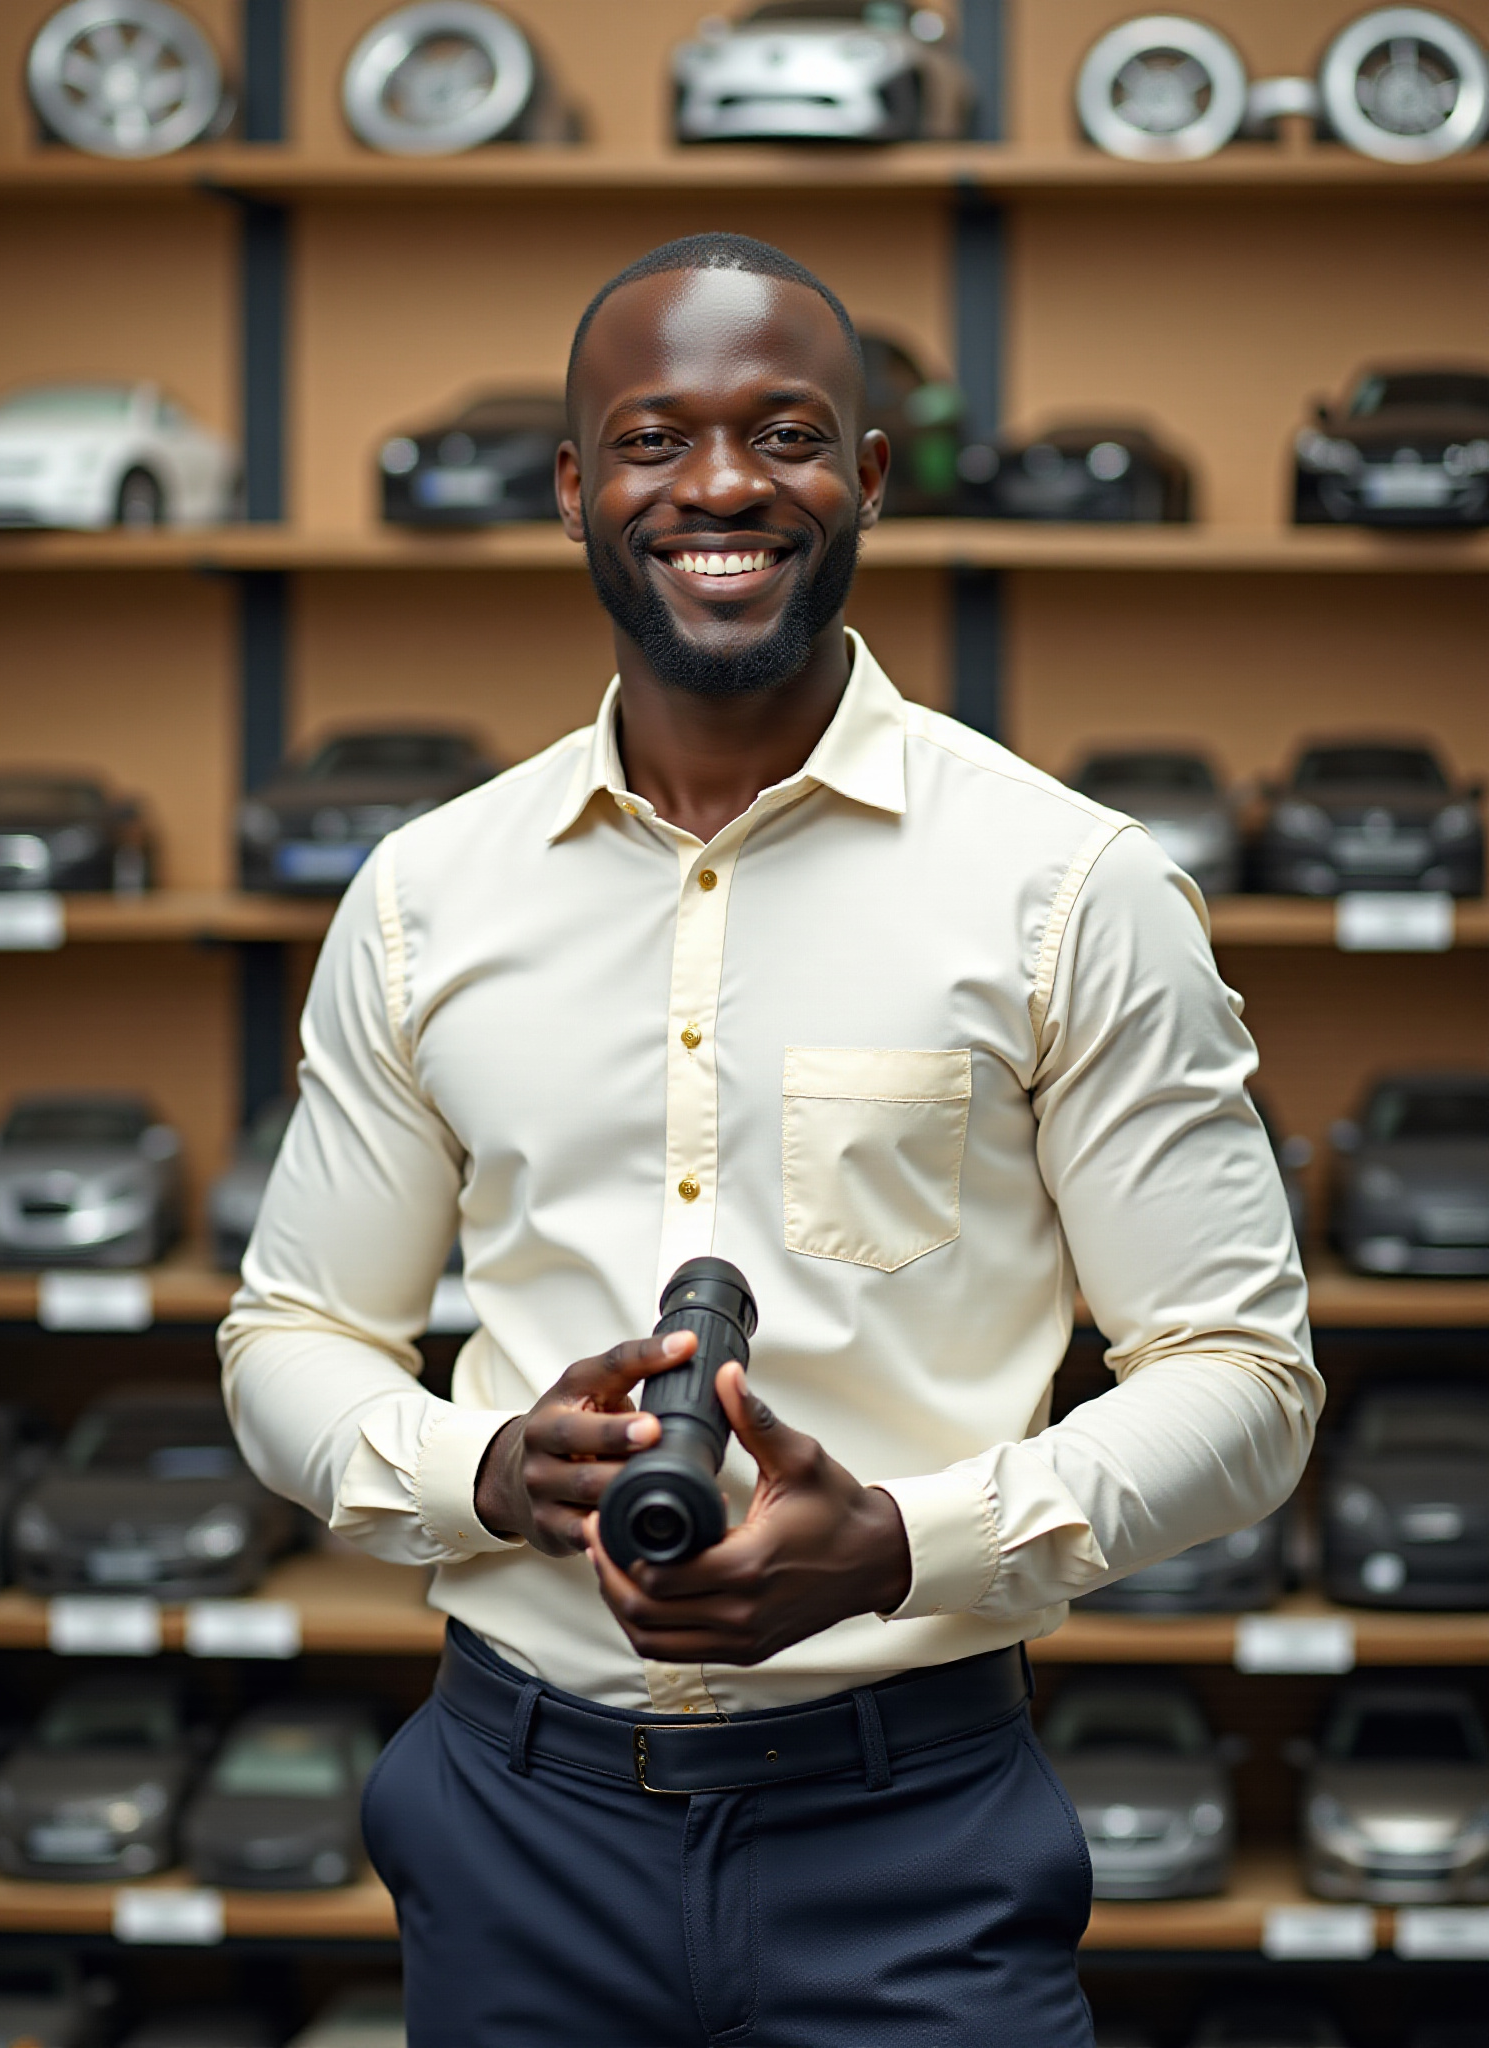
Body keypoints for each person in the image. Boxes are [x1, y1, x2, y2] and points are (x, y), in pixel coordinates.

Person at [220, 232, 1319, 2047]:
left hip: (912, 1835)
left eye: (786, 434)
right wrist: (485, 1475)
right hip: (514, 1826)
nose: (721, 486)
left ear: (870, 477)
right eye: (654, 440)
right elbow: (290, 1336)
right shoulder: (425, 898)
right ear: (572, 486)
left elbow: (1243, 1380)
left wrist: (901, 1545)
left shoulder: (1069, 889)